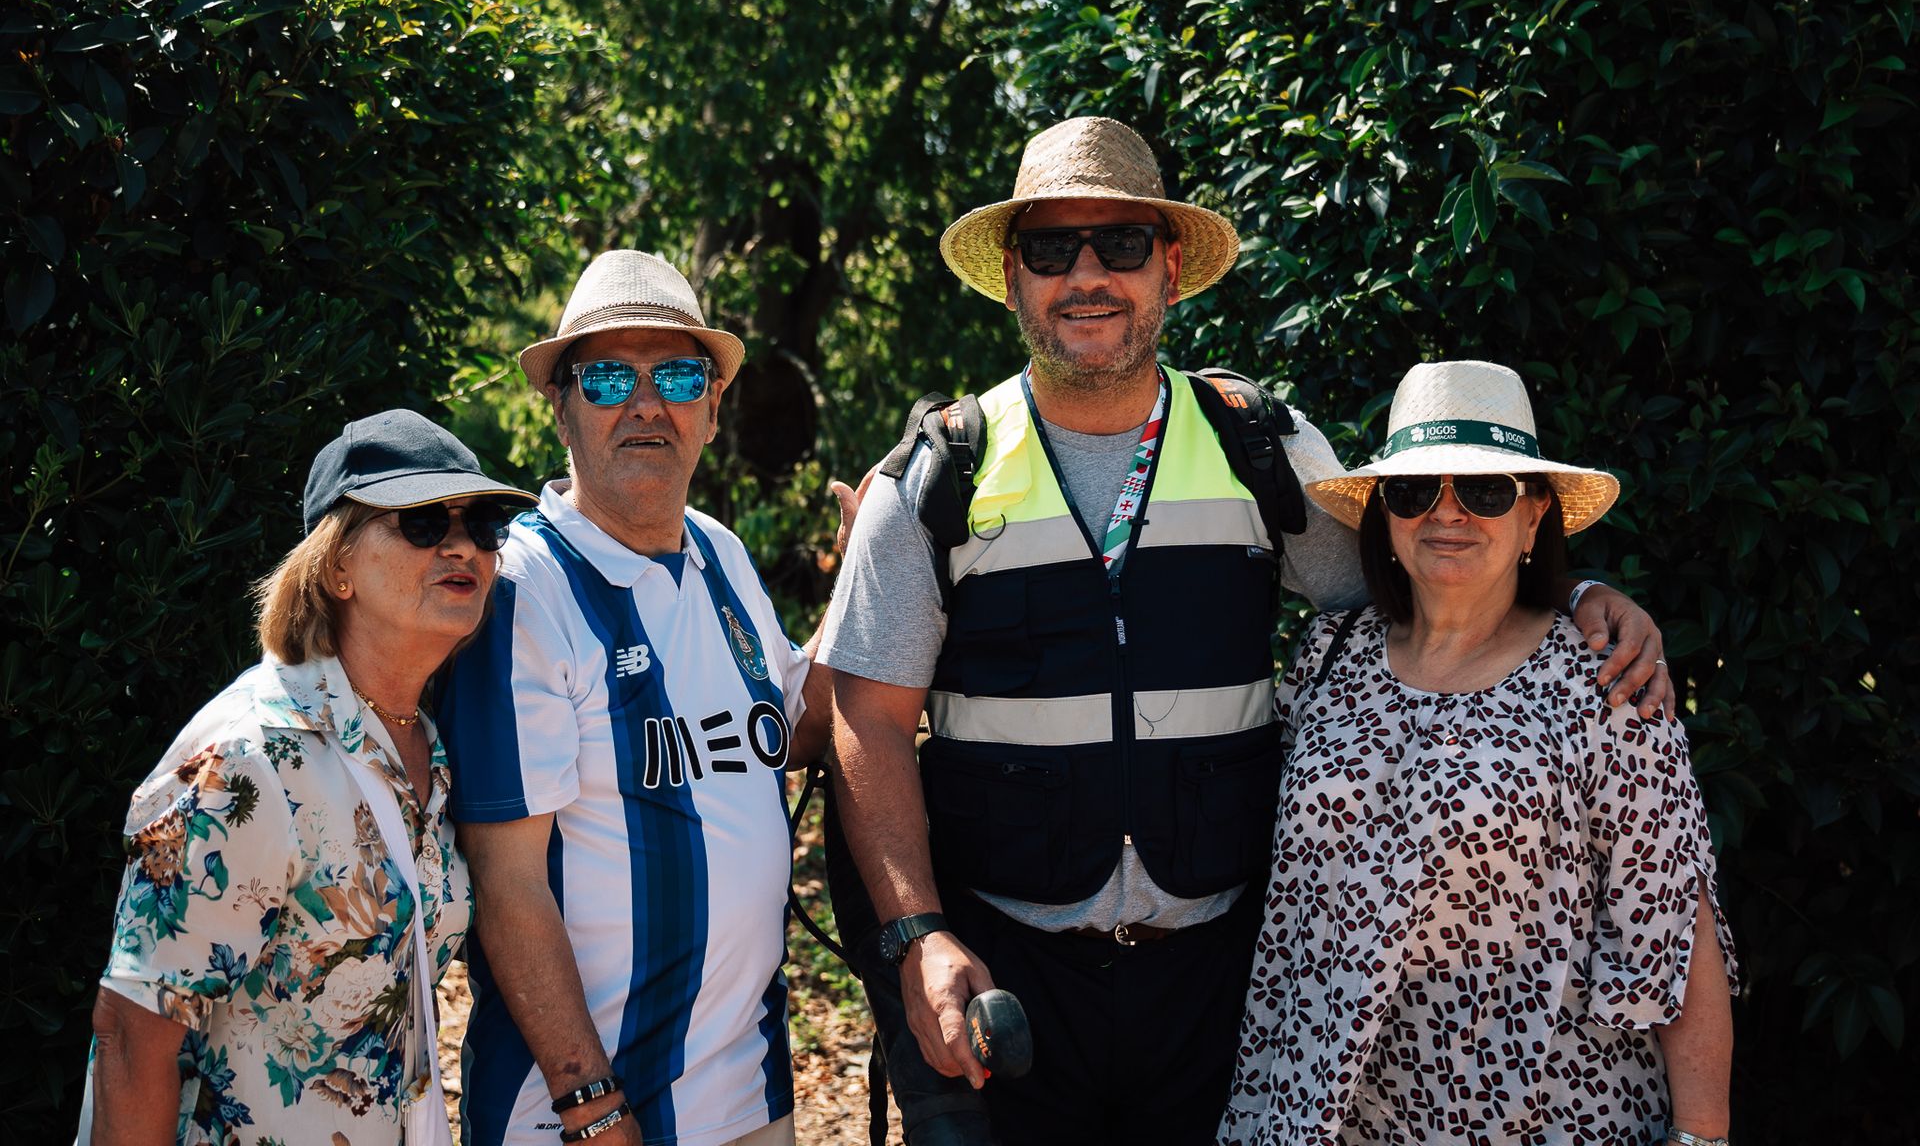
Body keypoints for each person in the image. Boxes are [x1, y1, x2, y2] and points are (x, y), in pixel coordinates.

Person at [821, 116, 1678, 1145]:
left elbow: (1433, 571)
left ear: (1171, 269)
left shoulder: (1258, 444)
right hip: (1011, 972)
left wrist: (1576, 591)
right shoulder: (935, 475)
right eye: (1053, 249)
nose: (1087, 275)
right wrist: (920, 935)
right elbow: (867, 722)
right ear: (1012, 277)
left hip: (1218, 986)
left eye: (1122, 245)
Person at [1218, 359, 1736, 1146]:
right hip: (1324, 1111)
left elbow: (1673, 918)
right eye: (1415, 490)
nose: (1446, 514)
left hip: (1545, 1112)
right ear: (1385, 516)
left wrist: (1703, 1135)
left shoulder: (1603, 678)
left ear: (1534, 518)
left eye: (1485, 491)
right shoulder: (1329, 652)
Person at [437, 250, 854, 1146]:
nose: (644, 403)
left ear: (710, 407)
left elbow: (805, 727)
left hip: (748, 1087)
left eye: (674, 374)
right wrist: (591, 1105)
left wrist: (865, 587)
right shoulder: (523, 591)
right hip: (584, 1117)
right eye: (607, 378)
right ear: (560, 407)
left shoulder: (720, 554)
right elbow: (509, 887)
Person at [79, 409, 537, 1146]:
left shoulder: (427, 744)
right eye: (422, 521)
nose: (462, 545)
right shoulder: (247, 759)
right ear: (336, 567)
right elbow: (133, 1034)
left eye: (481, 524)